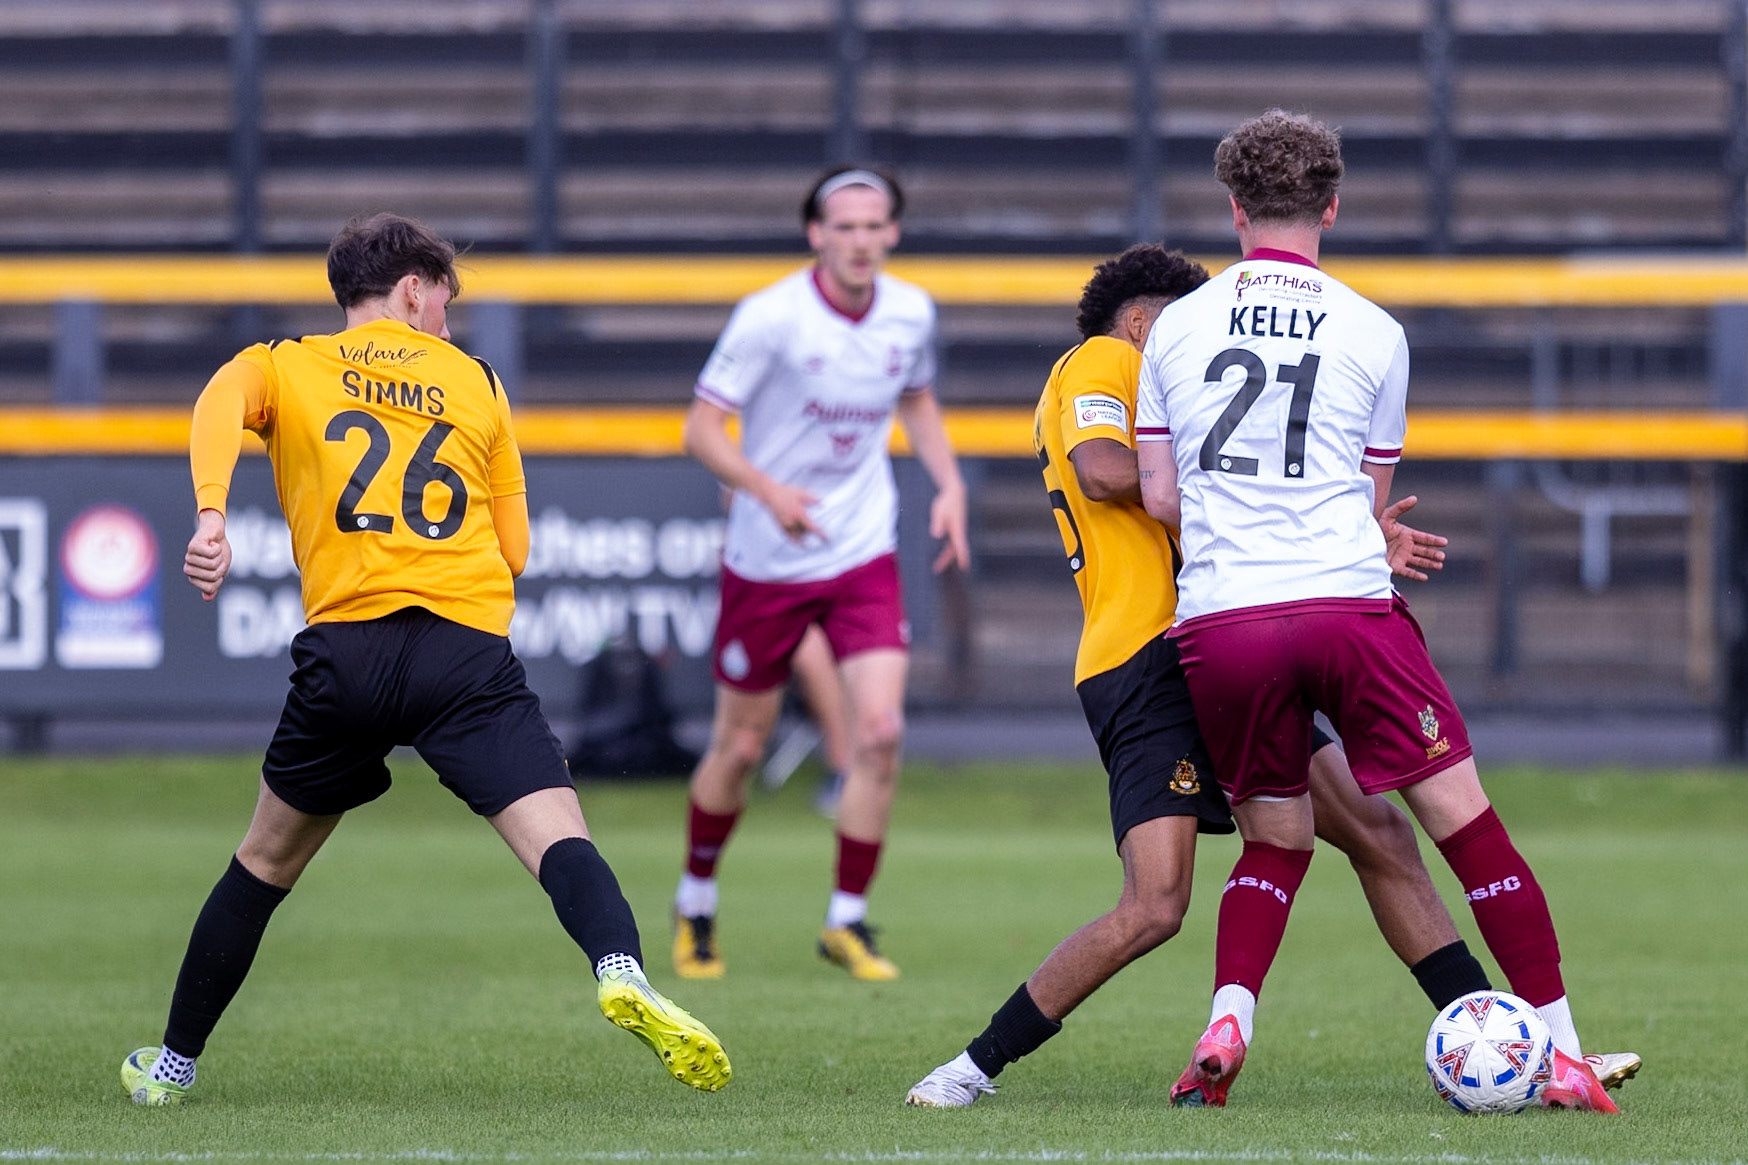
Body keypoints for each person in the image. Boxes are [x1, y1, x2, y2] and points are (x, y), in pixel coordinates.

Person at [120, 213, 730, 1105]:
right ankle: (622, 967)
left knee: (262, 865)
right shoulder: (477, 379)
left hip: (348, 653)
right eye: (447, 294)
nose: (450, 314)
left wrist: (212, 513)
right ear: (413, 287)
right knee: (561, 837)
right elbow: (514, 546)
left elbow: (219, 396)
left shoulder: (284, 362)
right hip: (463, 655)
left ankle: (170, 1067)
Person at [906, 244, 1491, 1107]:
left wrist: (1351, 535)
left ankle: (1491, 1038)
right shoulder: (1103, 359)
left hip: (1217, 640)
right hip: (1146, 657)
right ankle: (972, 1066)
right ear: (1146, 322)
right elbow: (1106, 472)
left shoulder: (1145, 380)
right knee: (1155, 903)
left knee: (1380, 835)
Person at [1135, 111, 1629, 1111]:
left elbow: (1155, 496)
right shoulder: (1372, 328)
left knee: (1276, 838)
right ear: (1330, 205)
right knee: (1462, 824)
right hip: (1340, 605)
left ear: (1231, 208)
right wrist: (1365, 536)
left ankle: (1230, 1012)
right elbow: (1363, 503)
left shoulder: (1175, 326)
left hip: (1222, 618)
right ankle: (1562, 1051)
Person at [672, 165, 969, 982]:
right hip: (766, 558)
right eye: (845, 226)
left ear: (894, 233)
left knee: (881, 731)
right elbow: (701, 429)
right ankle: (695, 899)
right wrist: (765, 492)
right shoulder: (770, 316)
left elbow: (917, 400)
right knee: (740, 745)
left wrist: (947, 484)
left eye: (875, 225)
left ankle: (847, 920)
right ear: (816, 234)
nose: (861, 240)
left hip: (861, 547)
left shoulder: (911, 310)